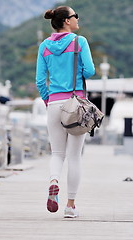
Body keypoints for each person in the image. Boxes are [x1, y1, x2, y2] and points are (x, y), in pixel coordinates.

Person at [35, 6, 95, 218]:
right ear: (67, 21)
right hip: (75, 104)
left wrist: (48, 100)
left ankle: (53, 181)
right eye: (75, 16)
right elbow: (90, 71)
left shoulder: (44, 46)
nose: (78, 19)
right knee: (74, 156)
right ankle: (70, 206)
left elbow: (40, 81)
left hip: (53, 104)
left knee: (57, 153)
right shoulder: (80, 42)